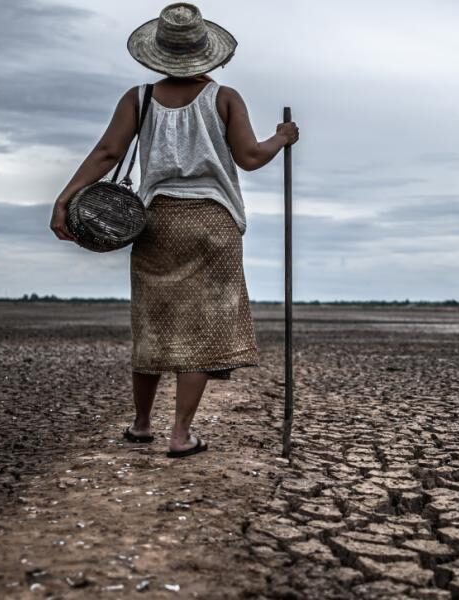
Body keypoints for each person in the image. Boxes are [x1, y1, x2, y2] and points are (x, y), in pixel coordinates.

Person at [49, 3, 298, 458]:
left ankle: (142, 424)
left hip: (156, 220)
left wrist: (66, 198)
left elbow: (107, 153)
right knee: (200, 331)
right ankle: (180, 435)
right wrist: (281, 139)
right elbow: (249, 157)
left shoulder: (138, 98)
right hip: (213, 222)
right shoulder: (224, 97)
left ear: (159, 53)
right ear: (208, 53)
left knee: (152, 322)